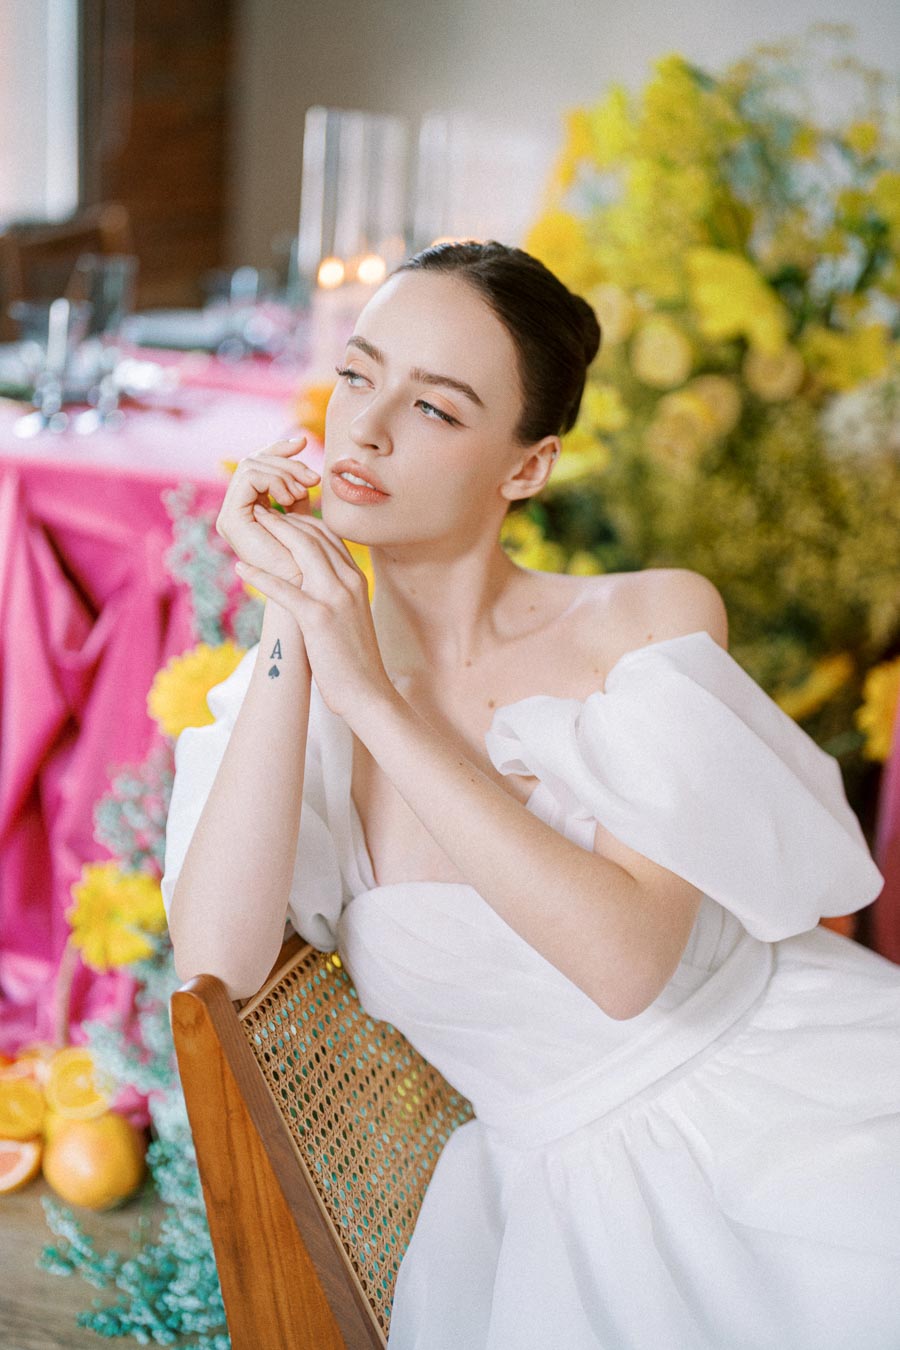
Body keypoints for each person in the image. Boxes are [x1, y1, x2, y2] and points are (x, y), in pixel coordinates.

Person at [161, 240, 900, 1349]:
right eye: (359, 376)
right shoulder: (296, 692)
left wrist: (373, 698)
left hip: (799, 1113)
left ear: (528, 468)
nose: (367, 429)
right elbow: (213, 964)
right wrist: (291, 614)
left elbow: (625, 964)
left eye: (436, 408)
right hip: (563, 1208)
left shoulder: (648, 623)